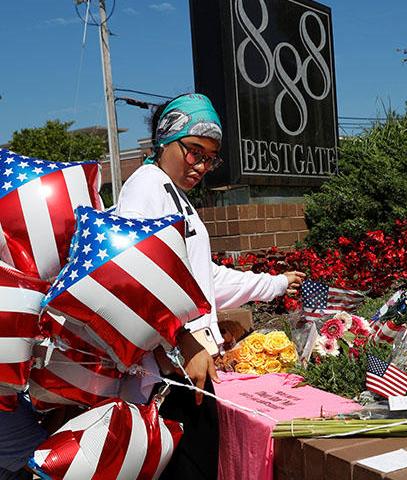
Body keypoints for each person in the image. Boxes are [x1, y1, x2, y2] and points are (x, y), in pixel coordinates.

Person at [115, 93, 305, 479]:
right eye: (194, 151)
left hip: (188, 368)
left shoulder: (174, 195)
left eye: (210, 157)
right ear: (166, 140)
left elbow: (205, 277)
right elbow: (129, 277)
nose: (202, 165)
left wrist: (273, 284)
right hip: (166, 376)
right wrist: (183, 340)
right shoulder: (146, 189)